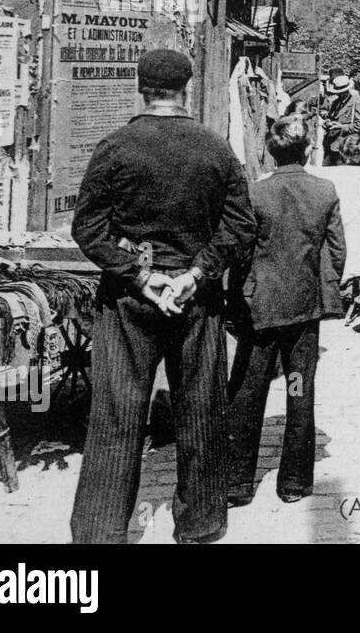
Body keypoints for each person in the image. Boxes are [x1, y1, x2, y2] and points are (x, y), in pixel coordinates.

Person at [70, 49, 256, 544]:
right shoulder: (215, 149)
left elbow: (87, 228)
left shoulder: (115, 146)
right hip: (195, 300)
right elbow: (241, 226)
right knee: (200, 411)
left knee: (116, 415)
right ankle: (200, 525)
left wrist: (139, 275)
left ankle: (99, 534)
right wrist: (196, 273)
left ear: (141, 86)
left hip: (130, 299)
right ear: (187, 87)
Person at [226, 116, 346, 507]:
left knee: (248, 390)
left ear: (270, 152)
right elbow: (337, 251)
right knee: (298, 387)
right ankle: (294, 481)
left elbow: (239, 253)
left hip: (259, 310)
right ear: (308, 149)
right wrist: (320, 287)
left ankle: (237, 482)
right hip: (303, 309)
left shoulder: (255, 194)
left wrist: (237, 299)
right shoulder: (324, 191)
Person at [321, 74, 360, 166]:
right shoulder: (336, 102)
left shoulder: (355, 101)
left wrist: (342, 127)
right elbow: (331, 117)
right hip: (330, 143)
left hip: (346, 146)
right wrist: (328, 122)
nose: (338, 94)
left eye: (340, 92)